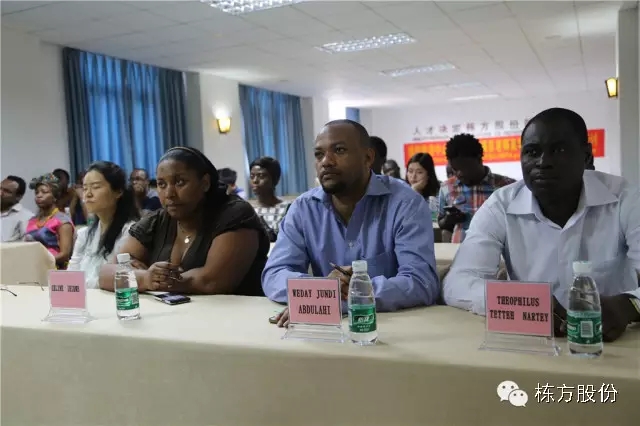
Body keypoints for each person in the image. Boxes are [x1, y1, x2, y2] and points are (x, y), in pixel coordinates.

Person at [443, 108, 640, 343]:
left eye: (559, 150)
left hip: (616, 343)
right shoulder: (501, 205)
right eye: (532, 152)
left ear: (587, 156)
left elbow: (630, 304)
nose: (543, 163)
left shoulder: (625, 199)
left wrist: (629, 305)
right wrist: (523, 303)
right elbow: (458, 283)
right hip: (533, 344)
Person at [263, 120, 439, 327]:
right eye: (319, 154)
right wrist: (322, 291)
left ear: (368, 158)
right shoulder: (303, 208)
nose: (326, 162)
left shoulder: (405, 203)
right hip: (325, 330)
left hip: (394, 327)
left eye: (339, 150)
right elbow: (274, 274)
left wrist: (345, 296)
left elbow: (421, 282)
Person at [99, 147, 269, 296]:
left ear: (205, 183)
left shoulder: (234, 214)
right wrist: (146, 278)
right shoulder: (157, 220)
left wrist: (151, 279)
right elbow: (106, 274)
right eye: (161, 184)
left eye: (180, 182)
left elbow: (212, 281)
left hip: (237, 317)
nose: (169, 193)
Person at [68, 162, 140, 288]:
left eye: (96, 187)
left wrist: (80, 284)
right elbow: (70, 276)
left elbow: (118, 280)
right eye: (85, 188)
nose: (88, 194)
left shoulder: (131, 232)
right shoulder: (84, 234)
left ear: (118, 192)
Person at [437, 133, 515, 243]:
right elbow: (440, 222)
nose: (459, 173)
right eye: (455, 169)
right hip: (459, 249)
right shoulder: (447, 188)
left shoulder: (507, 187)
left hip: (496, 249)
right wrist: (448, 220)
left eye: (464, 168)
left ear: (479, 159)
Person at [25, 173, 74, 269]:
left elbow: (65, 254)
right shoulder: (32, 220)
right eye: (37, 193)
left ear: (55, 196)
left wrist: (41, 263)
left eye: (44, 192)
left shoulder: (62, 221)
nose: (39, 195)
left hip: (55, 269)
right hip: (31, 267)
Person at [249, 157, 291, 242]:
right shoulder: (248, 209)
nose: (255, 181)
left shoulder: (287, 208)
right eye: (252, 176)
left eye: (261, 176)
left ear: (275, 179)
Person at [1, 175, 33, 242]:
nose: (0, 193)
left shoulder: (27, 217)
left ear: (18, 197)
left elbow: (27, 245)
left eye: (6, 191)